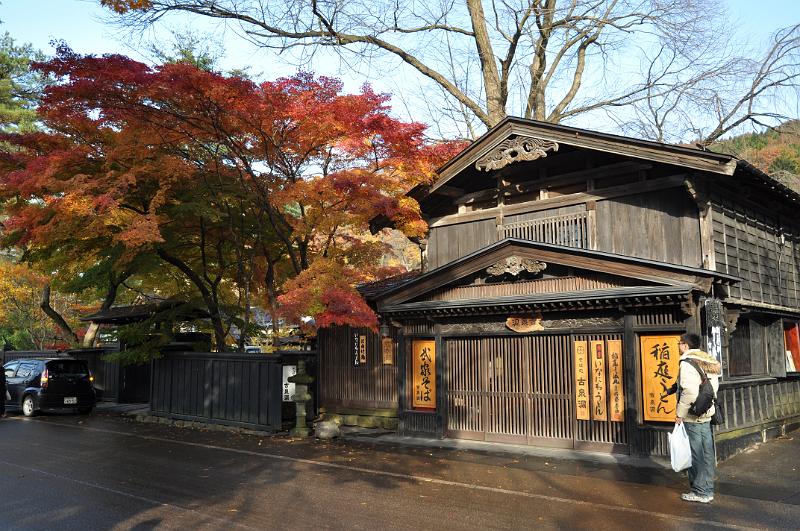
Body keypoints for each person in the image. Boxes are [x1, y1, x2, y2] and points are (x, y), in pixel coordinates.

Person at [675, 332, 721, 503]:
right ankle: (707, 490)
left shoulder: (687, 363)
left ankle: (699, 492)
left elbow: (689, 391)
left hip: (693, 415)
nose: (678, 346)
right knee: (707, 453)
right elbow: (714, 387)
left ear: (685, 345)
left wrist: (680, 413)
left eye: (679, 343)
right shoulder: (707, 360)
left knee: (696, 455)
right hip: (706, 412)